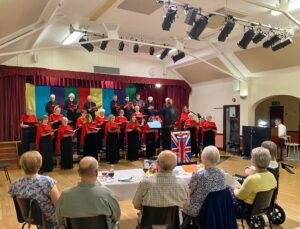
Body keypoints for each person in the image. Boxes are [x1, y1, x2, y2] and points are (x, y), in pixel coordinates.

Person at [56, 157, 120, 228]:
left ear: (79, 172)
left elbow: (59, 220)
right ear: (96, 172)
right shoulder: (107, 194)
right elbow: (116, 217)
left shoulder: (65, 195)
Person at [133, 150, 188, 222]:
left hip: (148, 224)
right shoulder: (182, 183)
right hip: (173, 224)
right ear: (175, 166)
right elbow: (185, 204)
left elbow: (136, 205)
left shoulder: (145, 183)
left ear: (157, 164)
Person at [8, 151, 60, 228]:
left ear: (22, 165)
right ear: (39, 165)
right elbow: (58, 204)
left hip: (28, 217)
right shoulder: (47, 181)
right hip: (48, 218)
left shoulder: (15, 184)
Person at [183, 146, 226, 219]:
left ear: (203, 158)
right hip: (216, 208)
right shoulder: (222, 173)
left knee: (178, 203)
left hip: (198, 209)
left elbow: (187, 193)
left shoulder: (198, 175)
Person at [233, 147, 277, 218]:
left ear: (254, 161)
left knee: (228, 191)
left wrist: (234, 189)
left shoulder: (251, 179)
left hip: (248, 209)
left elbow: (239, 196)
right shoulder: (272, 176)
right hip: (264, 207)